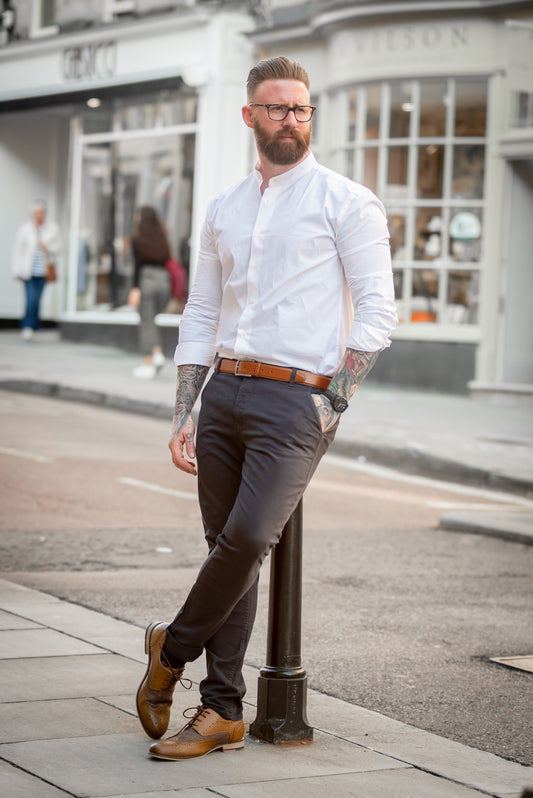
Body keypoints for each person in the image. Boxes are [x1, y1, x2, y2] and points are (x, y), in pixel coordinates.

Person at [136, 56, 397, 761]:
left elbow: (378, 313)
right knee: (227, 552)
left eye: (301, 109)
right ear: (249, 115)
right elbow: (201, 310)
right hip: (224, 391)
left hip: (299, 399)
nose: (291, 120)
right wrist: (185, 410)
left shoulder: (346, 201)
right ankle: (221, 710)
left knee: (249, 538)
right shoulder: (224, 207)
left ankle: (172, 649)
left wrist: (330, 402)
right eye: (276, 108)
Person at [128, 206, 171, 379]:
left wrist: (135, 288)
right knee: (151, 319)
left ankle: (149, 362)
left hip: (147, 278)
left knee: (146, 321)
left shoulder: (137, 239)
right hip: (163, 280)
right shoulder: (162, 237)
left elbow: (137, 266)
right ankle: (157, 353)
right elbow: (168, 259)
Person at [11, 200, 61, 340]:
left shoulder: (51, 229)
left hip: (43, 271)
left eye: (41, 212)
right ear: (33, 214)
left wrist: (48, 247)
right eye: (36, 213)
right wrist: (17, 271)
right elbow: (18, 251)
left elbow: (59, 248)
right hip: (28, 271)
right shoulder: (25, 229)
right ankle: (28, 326)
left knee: (37, 299)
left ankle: (32, 325)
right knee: (31, 299)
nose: (39, 215)